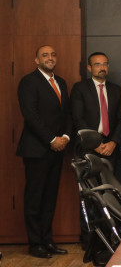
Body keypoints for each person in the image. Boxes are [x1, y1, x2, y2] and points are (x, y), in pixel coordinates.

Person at [17, 45, 71, 258]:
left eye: (53, 54)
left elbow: (67, 114)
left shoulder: (61, 82)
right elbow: (30, 115)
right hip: (37, 149)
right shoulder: (29, 82)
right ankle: (35, 244)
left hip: (58, 149)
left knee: (49, 199)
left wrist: (65, 137)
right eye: (45, 55)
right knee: (35, 199)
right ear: (36, 60)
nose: (50, 58)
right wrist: (51, 139)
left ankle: (47, 241)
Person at [71, 52, 121, 165]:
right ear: (89, 68)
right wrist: (94, 144)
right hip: (87, 146)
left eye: (105, 64)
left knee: (109, 177)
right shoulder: (80, 88)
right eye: (97, 64)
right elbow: (78, 118)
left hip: (110, 148)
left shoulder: (116, 90)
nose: (102, 68)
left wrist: (114, 142)